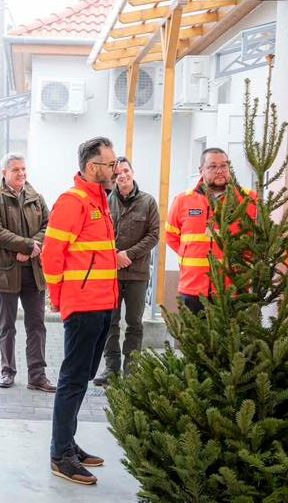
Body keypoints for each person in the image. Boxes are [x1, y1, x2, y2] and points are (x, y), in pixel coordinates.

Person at [41, 136, 120, 485]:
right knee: (72, 380)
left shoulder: (100, 202)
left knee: (83, 377)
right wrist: (61, 300)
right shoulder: (73, 203)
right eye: (111, 164)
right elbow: (51, 255)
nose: (115, 169)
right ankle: (61, 455)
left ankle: (69, 443)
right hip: (84, 306)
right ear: (92, 167)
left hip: (103, 304)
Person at [0, 153, 55, 392]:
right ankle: (7, 371)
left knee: (37, 325)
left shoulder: (36, 198)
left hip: (33, 271)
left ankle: (37, 376)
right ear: (4, 173)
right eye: (16, 170)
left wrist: (33, 246)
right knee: (7, 326)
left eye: (23, 169)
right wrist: (26, 245)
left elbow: (49, 226)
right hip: (6, 271)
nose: (21, 174)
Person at [165, 147, 259, 313]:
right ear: (201, 170)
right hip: (193, 287)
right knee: (193, 338)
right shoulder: (183, 201)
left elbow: (258, 239)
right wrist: (190, 254)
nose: (219, 171)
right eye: (212, 166)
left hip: (233, 288)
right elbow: (171, 236)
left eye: (224, 166)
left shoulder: (248, 200)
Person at [94, 156, 160, 386]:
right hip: (110, 274)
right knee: (110, 322)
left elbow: (153, 235)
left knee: (134, 323)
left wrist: (128, 255)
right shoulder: (104, 203)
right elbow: (98, 235)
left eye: (125, 170)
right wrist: (113, 256)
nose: (122, 175)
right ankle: (111, 368)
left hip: (137, 274)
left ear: (132, 172)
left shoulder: (148, 202)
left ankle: (131, 369)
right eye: (117, 172)